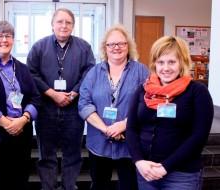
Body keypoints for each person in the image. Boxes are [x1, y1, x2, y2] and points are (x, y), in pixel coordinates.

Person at [126, 36, 214, 190]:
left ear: (182, 62)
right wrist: (138, 161)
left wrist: (165, 167)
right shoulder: (143, 90)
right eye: (160, 62)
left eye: (171, 62)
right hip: (146, 172)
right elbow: (132, 128)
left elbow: (199, 137)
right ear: (154, 64)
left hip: (182, 175)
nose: (165, 68)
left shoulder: (197, 92)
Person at [27, 8, 95, 190]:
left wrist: (73, 93)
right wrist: (51, 93)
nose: (64, 26)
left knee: (72, 155)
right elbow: (31, 73)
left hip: (74, 110)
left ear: (73, 26)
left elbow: (89, 73)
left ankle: (69, 186)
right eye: (60, 22)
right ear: (52, 25)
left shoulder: (84, 47)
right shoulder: (39, 47)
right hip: (46, 109)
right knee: (46, 155)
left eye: (68, 22)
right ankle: (48, 187)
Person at [78, 24, 149, 190]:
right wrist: (106, 129)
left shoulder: (141, 71)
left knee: (129, 185)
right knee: (99, 185)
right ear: (105, 48)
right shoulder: (94, 73)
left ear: (128, 46)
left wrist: (124, 125)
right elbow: (84, 103)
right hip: (98, 142)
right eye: (111, 44)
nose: (116, 47)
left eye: (121, 43)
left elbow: (147, 102)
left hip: (129, 142)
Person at [0, 21, 40, 190]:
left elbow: (36, 98)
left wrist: (24, 118)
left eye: (8, 36)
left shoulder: (22, 68)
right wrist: (5, 122)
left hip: (22, 134)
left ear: (13, 40)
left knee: (20, 179)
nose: (4, 40)